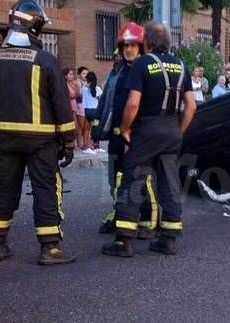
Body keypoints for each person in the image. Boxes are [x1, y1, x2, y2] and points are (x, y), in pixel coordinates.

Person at [0, 0, 76, 265]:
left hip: (5, 139)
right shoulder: (44, 60)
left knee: (4, 187)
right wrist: (68, 142)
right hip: (41, 141)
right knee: (45, 188)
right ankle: (50, 249)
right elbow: (61, 104)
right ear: (35, 26)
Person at [101, 21, 197, 257]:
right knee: (169, 183)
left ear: (147, 43)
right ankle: (169, 239)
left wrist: (124, 129)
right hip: (171, 131)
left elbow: (133, 103)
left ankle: (123, 241)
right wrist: (179, 131)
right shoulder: (181, 65)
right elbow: (191, 106)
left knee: (132, 180)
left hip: (146, 131)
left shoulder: (143, 63)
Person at [94, 22, 160, 239]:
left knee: (142, 180)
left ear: (141, 47)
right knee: (116, 181)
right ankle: (119, 214)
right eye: (125, 46)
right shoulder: (117, 72)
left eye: (133, 46)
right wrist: (98, 127)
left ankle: (149, 220)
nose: (129, 50)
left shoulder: (146, 71)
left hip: (136, 136)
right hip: (115, 136)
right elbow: (107, 102)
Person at [81, 71, 103, 154]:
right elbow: (100, 99)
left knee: (87, 129)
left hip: (87, 111)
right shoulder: (97, 89)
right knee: (94, 129)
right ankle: (93, 146)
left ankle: (86, 147)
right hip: (95, 111)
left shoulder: (83, 88)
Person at [75, 66, 88, 149]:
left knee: (87, 126)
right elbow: (78, 94)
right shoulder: (77, 82)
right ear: (79, 74)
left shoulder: (88, 82)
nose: (85, 75)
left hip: (87, 106)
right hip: (80, 105)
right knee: (80, 125)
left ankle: (85, 143)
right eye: (83, 73)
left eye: (87, 73)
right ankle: (79, 143)